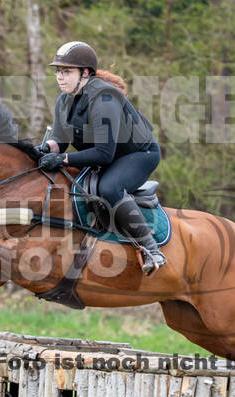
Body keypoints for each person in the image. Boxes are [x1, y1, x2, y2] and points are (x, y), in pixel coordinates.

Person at [37, 41, 166, 275]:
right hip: (107, 156)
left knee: (108, 188)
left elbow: (103, 154)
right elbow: (59, 140)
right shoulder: (64, 101)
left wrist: (63, 159)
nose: (60, 77)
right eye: (58, 71)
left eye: (66, 71)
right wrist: (44, 149)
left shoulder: (104, 99)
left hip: (138, 154)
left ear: (85, 73)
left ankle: (151, 248)